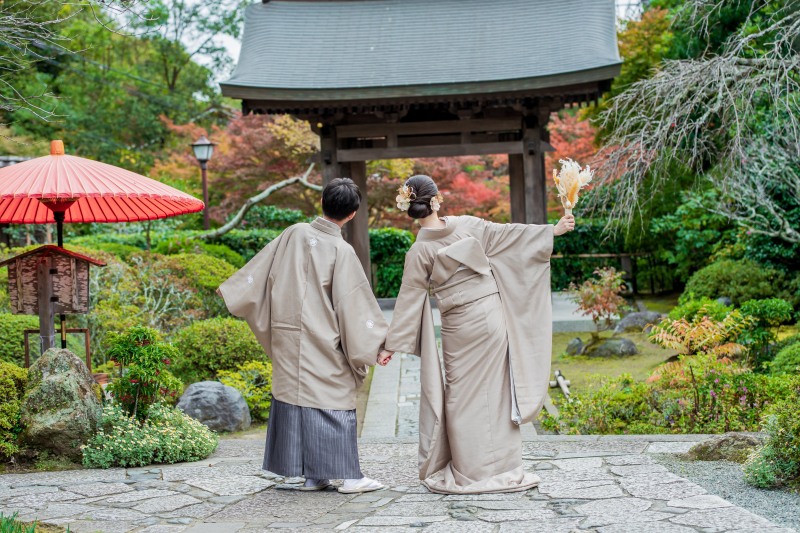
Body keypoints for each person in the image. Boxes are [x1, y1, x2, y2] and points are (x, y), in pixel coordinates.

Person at [378, 174, 575, 494]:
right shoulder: (468, 225)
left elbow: (409, 298)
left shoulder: (418, 252)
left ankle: (473, 471)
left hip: (461, 327)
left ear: (409, 208)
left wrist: (391, 345)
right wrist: (551, 231)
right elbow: (510, 237)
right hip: (492, 317)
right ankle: (506, 467)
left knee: (460, 398)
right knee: (497, 393)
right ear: (437, 200)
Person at [218, 178, 388, 494]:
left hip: (287, 334)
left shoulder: (293, 233)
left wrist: (236, 291)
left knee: (297, 398)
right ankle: (349, 477)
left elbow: (258, 273)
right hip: (322, 337)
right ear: (352, 215)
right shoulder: (342, 250)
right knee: (333, 396)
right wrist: (377, 344)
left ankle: (313, 476)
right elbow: (354, 305)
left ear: (321, 202)